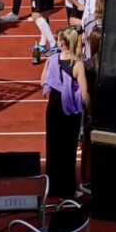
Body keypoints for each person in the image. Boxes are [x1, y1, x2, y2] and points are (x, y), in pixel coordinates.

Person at [43, 25, 88, 198]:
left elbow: (43, 80)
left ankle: (52, 187)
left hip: (53, 105)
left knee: (53, 147)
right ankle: (68, 190)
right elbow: (84, 92)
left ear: (61, 42)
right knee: (68, 149)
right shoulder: (77, 64)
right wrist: (90, 111)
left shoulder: (52, 58)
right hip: (70, 108)